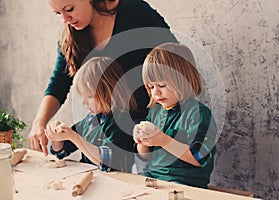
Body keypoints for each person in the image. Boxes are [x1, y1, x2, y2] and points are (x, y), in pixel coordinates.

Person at [28, 0, 177, 155]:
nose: (65, 20)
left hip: (150, 132)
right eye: (59, 13)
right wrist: (40, 123)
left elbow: (176, 61)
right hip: (112, 130)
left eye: (69, 9)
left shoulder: (135, 12)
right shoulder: (72, 35)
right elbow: (59, 83)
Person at [133, 42, 217, 188]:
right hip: (153, 179)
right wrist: (141, 140)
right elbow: (145, 156)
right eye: (151, 87)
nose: (155, 93)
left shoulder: (198, 113)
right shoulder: (155, 112)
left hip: (183, 182)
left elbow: (199, 158)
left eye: (162, 85)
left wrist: (163, 140)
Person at [45, 57, 137, 172]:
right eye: (82, 96)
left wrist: (73, 137)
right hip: (91, 178)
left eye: (89, 96)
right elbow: (61, 152)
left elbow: (107, 162)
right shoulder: (90, 120)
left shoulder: (122, 122)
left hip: (115, 183)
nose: (83, 102)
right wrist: (57, 137)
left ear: (109, 92)